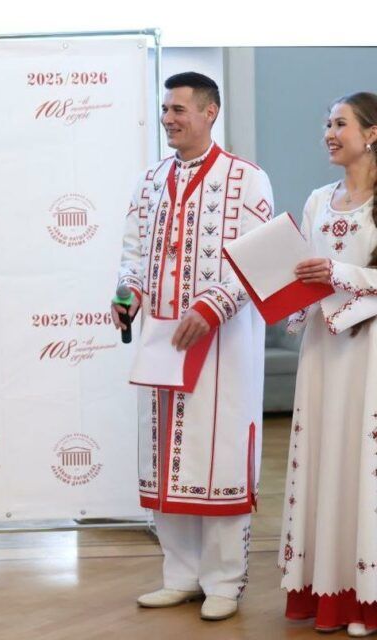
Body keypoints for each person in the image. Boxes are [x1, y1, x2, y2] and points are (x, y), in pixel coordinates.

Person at [112, 71, 274, 621]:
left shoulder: (248, 179)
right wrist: (128, 292)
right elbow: (133, 251)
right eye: (165, 109)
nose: (168, 119)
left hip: (224, 349)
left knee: (219, 457)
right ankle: (179, 575)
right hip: (161, 343)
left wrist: (213, 306)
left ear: (210, 112)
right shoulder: (149, 181)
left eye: (179, 109)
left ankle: (224, 582)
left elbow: (257, 258)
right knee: (165, 460)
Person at [278, 92, 377, 638]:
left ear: (372, 133)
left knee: (363, 461)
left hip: (369, 351)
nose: (329, 134)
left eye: (340, 124)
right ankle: (327, 593)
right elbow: (301, 274)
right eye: (326, 124)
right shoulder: (318, 200)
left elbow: (341, 272)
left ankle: (366, 598)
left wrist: (340, 273)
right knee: (325, 459)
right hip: (322, 348)